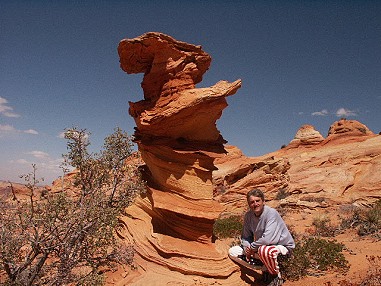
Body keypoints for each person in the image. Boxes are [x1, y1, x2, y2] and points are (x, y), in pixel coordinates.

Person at [229, 189, 295, 286]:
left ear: (263, 201)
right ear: (249, 204)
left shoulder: (271, 213)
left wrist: (252, 247)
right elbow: (246, 236)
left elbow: (268, 239)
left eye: (257, 201)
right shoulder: (248, 216)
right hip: (261, 248)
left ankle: (275, 276)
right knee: (233, 252)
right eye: (252, 202)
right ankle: (265, 268)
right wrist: (247, 248)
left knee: (265, 251)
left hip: (282, 247)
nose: (255, 204)